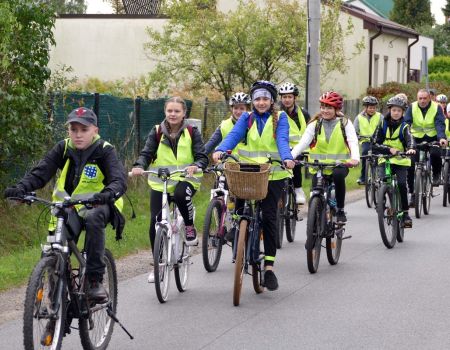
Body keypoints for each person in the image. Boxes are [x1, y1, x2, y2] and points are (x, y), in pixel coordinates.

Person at [4, 107, 127, 303]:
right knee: (54, 248)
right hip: (68, 206)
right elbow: (41, 173)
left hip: (98, 205)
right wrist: (21, 189)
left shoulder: (104, 150)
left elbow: (119, 180)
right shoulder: (63, 148)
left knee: (95, 219)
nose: (78, 135)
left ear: (95, 130)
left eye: (84, 130)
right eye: (73, 129)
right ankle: (57, 302)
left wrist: (107, 194)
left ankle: (95, 280)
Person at [212, 80, 295, 291]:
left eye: (265, 98)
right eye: (257, 99)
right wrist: (220, 150)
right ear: (253, 101)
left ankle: (269, 267)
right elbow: (233, 136)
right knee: (240, 204)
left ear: (271, 101)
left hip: (273, 174)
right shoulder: (246, 118)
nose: (261, 102)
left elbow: (283, 141)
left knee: (268, 216)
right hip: (248, 172)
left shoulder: (280, 118)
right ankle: (240, 229)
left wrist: (287, 158)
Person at [131, 96, 208, 283]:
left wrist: (196, 165)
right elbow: (146, 153)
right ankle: (157, 265)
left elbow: (202, 157)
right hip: (161, 182)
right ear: (165, 112)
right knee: (154, 223)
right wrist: (139, 165)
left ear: (184, 114)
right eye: (169, 111)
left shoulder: (192, 131)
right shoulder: (157, 132)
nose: (173, 114)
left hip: (185, 179)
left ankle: (189, 226)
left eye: (177, 111)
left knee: (182, 195)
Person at [291, 91, 360, 224]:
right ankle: (313, 229)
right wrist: (290, 157)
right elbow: (303, 143)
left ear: (336, 109)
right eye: (323, 107)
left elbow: (353, 141)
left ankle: (340, 209)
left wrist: (355, 158)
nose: (325, 110)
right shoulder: (315, 124)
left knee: (338, 177)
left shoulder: (345, 124)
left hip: (340, 164)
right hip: (319, 165)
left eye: (329, 107)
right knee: (315, 193)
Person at [372, 96, 415, 228]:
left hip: (401, 161)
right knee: (382, 181)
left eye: (399, 111)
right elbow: (374, 143)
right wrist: (389, 149)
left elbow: (410, 140)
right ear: (389, 110)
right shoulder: (381, 125)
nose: (396, 113)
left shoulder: (405, 126)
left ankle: (405, 213)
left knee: (402, 184)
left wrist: (411, 149)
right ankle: (382, 201)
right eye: (394, 110)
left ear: (403, 113)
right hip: (385, 160)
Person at [404, 89, 448, 205]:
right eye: (420, 98)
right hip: (416, 139)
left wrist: (441, 138)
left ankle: (436, 174)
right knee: (411, 163)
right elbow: (406, 124)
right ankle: (412, 193)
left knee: (435, 153)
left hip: (432, 137)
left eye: (425, 98)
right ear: (417, 98)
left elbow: (439, 123)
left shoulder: (436, 107)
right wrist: (406, 139)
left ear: (429, 98)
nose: (422, 101)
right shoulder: (412, 107)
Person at [278, 82, 310, 204]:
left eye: (289, 97)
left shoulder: (303, 113)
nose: (286, 100)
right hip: (281, 147)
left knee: (295, 166)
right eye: (284, 97)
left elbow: (311, 131)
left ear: (295, 98)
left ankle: (298, 189)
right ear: (281, 98)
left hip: (299, 148)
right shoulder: (276, 113)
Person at [353, 96, 383, 185]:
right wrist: (357, 136)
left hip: (377, 140)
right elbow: (355, 130)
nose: (372, 110)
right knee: (365, 154)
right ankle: (363, 177)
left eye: (374, 108)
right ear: (365, 108)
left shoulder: (380, 116)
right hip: (365, 140)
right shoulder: (359, 117)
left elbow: (384, 128)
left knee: (379, 156)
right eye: (370, 108)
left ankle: (379, 175)